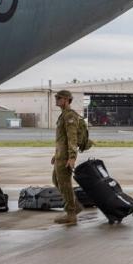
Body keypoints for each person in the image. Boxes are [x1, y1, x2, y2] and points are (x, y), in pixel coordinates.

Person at [51, 89, 82, 225]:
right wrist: (55, 154)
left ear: (67, 100)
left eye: (59, 98)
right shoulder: (63, 115)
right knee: (56, 180)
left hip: (65, 156)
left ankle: (71, 214)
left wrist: (72, 157)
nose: (56, 100)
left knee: (65, 184)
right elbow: (62, 139)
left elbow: (72, 138)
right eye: (56, 98)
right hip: (60, 154)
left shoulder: (70, 116)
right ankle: (75, 206)